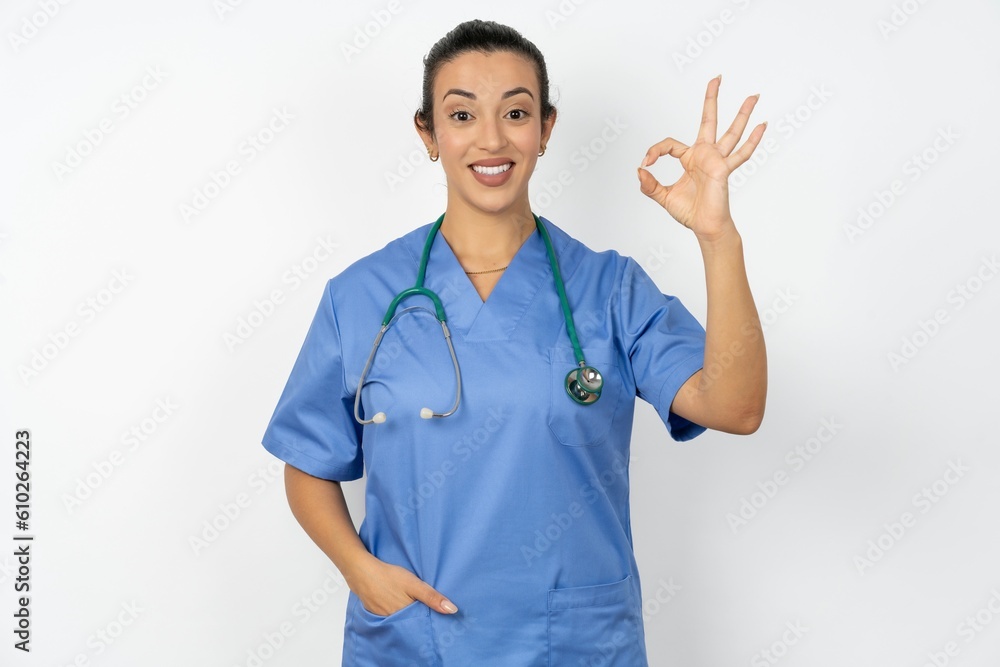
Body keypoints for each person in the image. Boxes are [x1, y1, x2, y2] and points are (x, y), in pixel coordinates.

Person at [261, 18, 767, 666]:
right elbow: (306, 460)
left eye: (517, 112)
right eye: (463, 114)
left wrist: (718, 239)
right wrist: (360, 570)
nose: (492, 138)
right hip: (417, 642)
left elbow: (736, 406)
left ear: (546, 129)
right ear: (429, 134)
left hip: (576, 646)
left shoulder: (609, 290)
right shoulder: (361, 296)